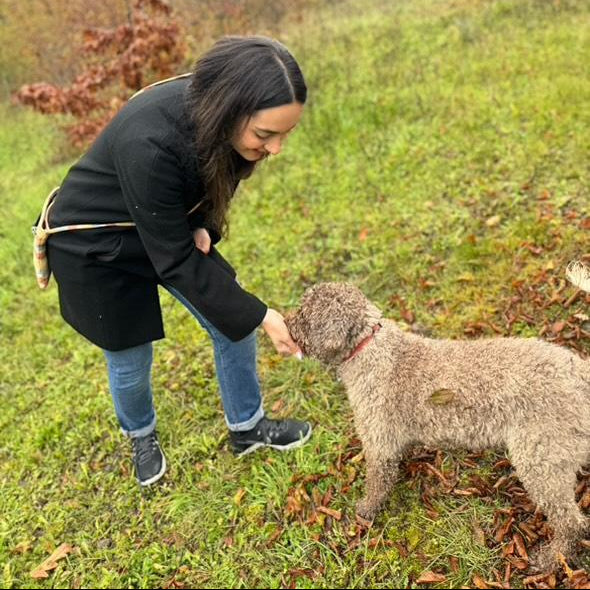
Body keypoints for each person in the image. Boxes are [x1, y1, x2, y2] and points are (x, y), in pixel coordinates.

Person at [45, 35, 312, 487]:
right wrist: (265, 314)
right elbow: (175, 260)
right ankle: (141, 436)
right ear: (230, 109)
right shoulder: (149, 143)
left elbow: (215, 180)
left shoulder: (219, 117)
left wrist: (204, 222)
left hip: (159, 222)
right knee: (130, 358)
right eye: (266, 135)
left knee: (233, 320)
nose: (276, 149)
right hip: (96, 245)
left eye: (286, 134)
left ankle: (247, 428)